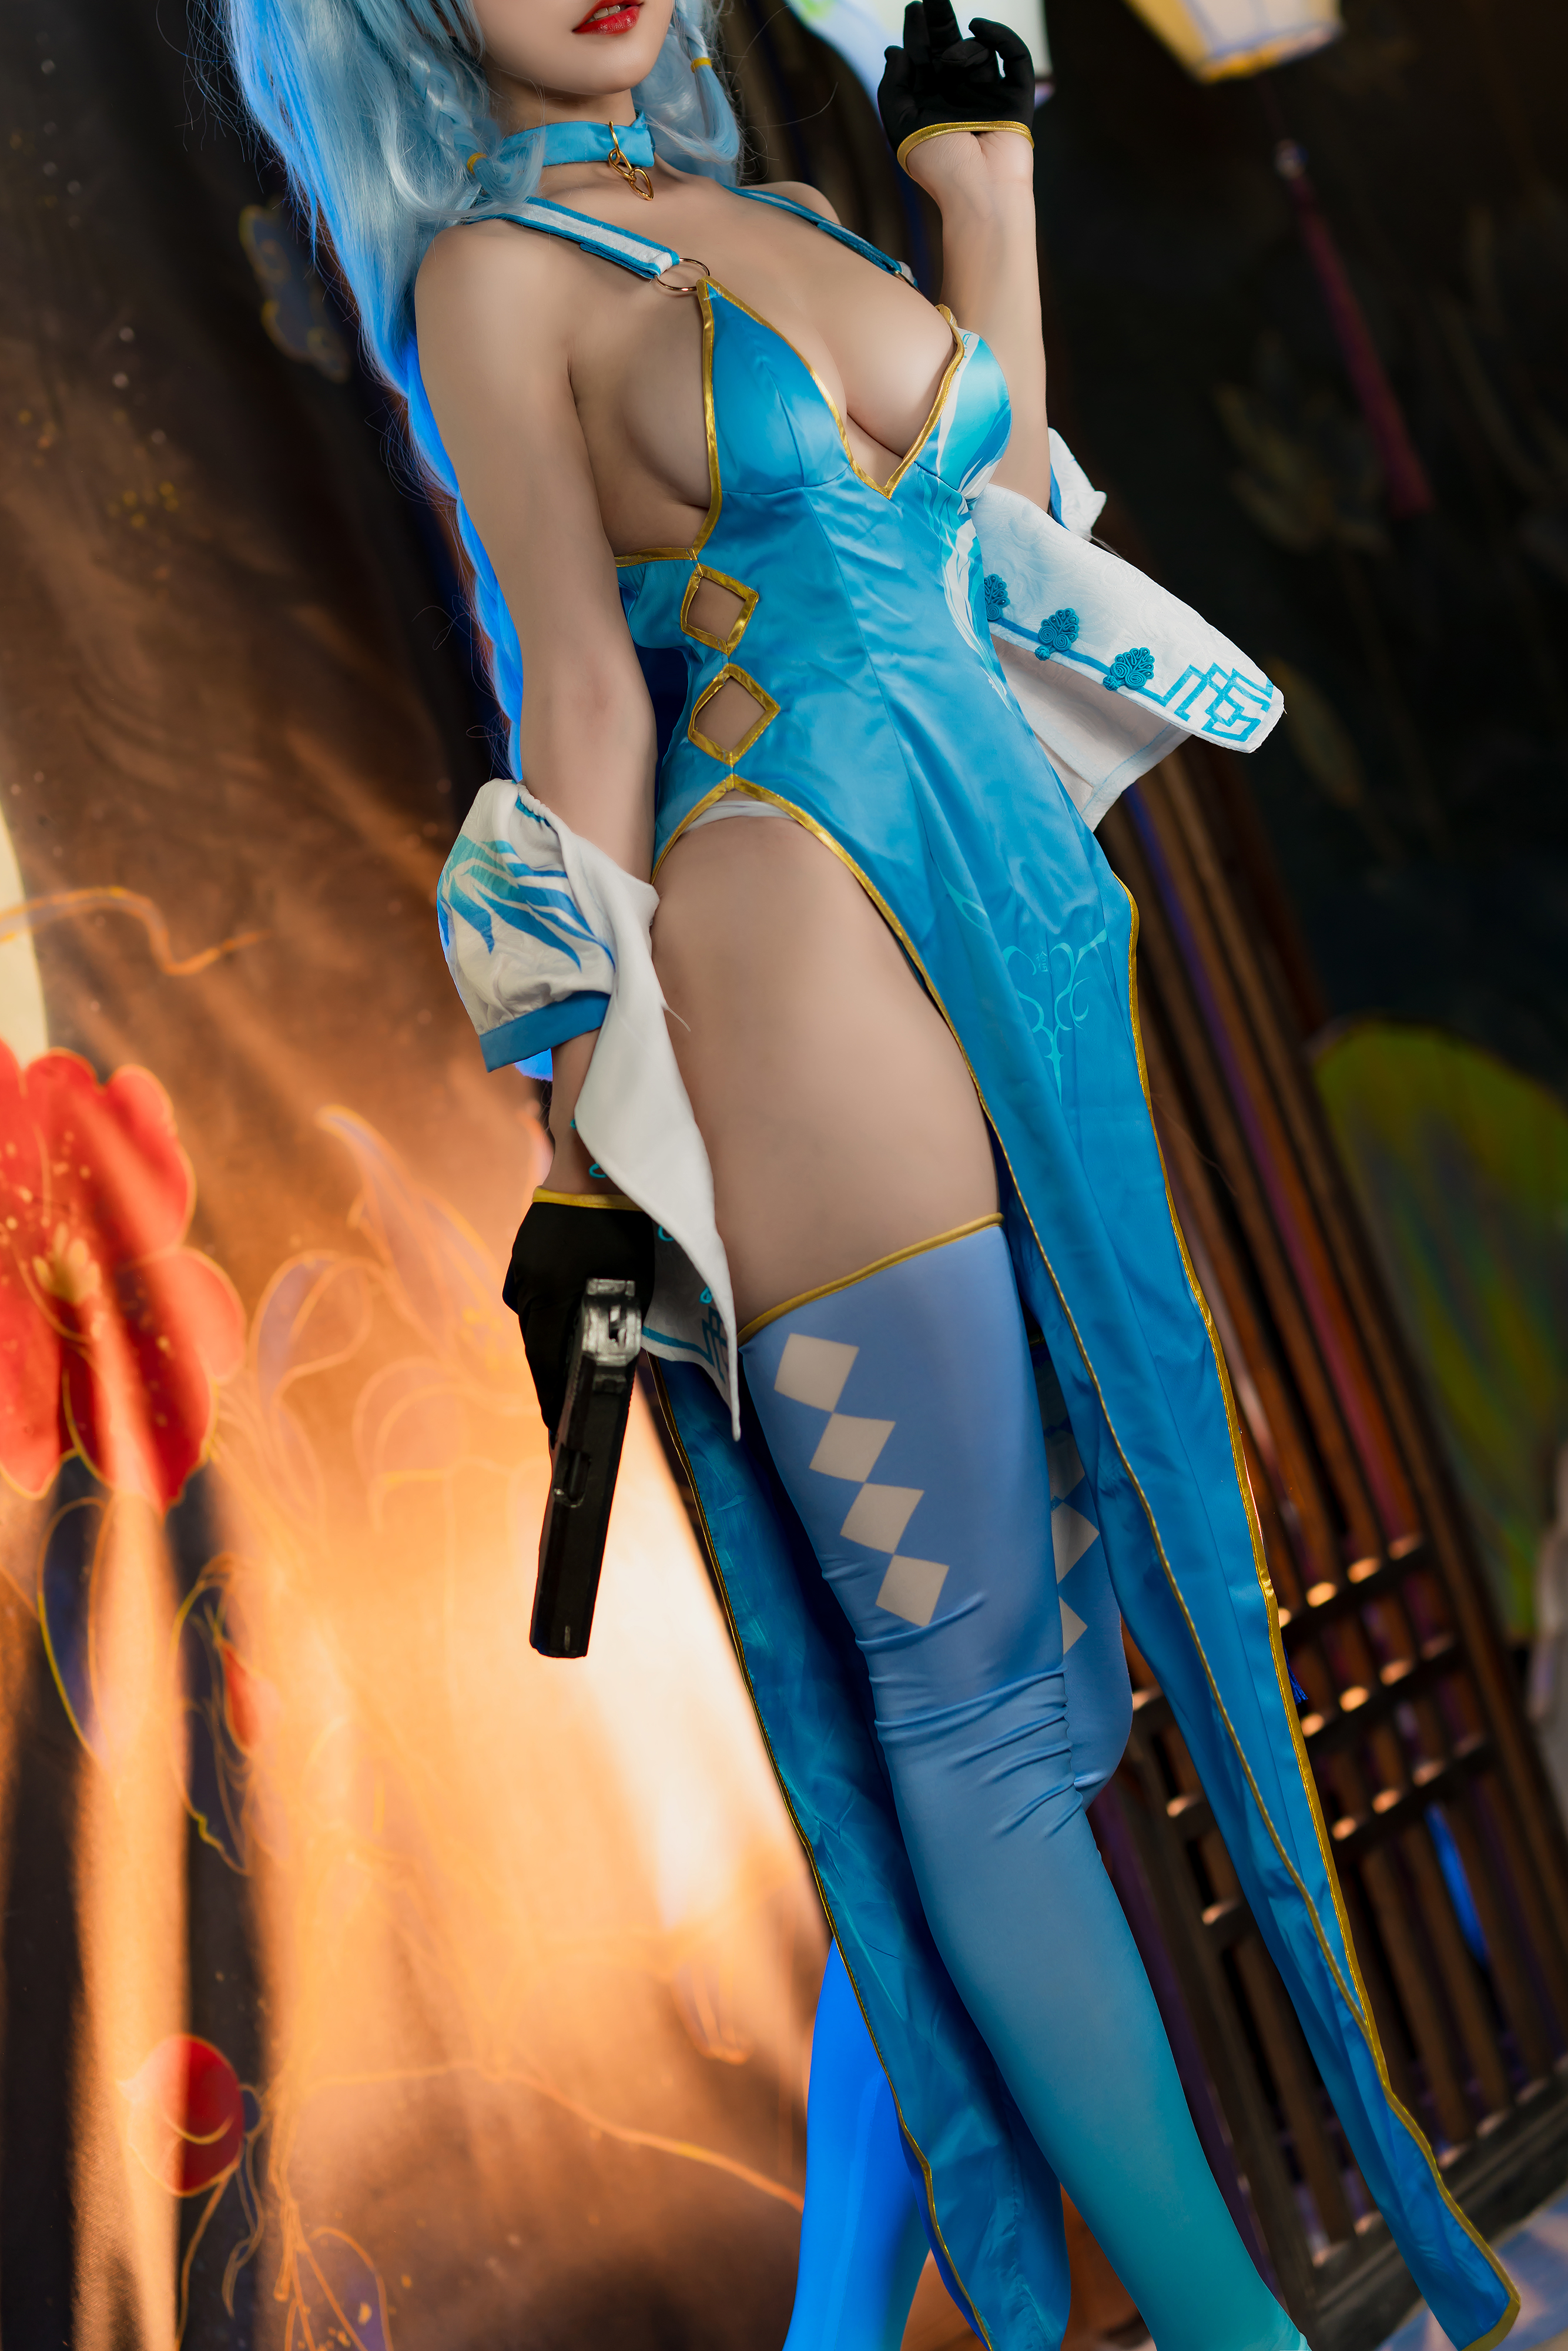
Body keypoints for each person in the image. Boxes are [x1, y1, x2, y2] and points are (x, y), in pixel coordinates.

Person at [223, 0, 1515, 2342]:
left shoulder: (781, 212)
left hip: (1001, 916)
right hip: (788, 934)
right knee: (976, 1714)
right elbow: (578, 702)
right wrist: (589, 1145)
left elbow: (991, 537)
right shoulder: (491, 283)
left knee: (1017, 1705)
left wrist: (979, 192)